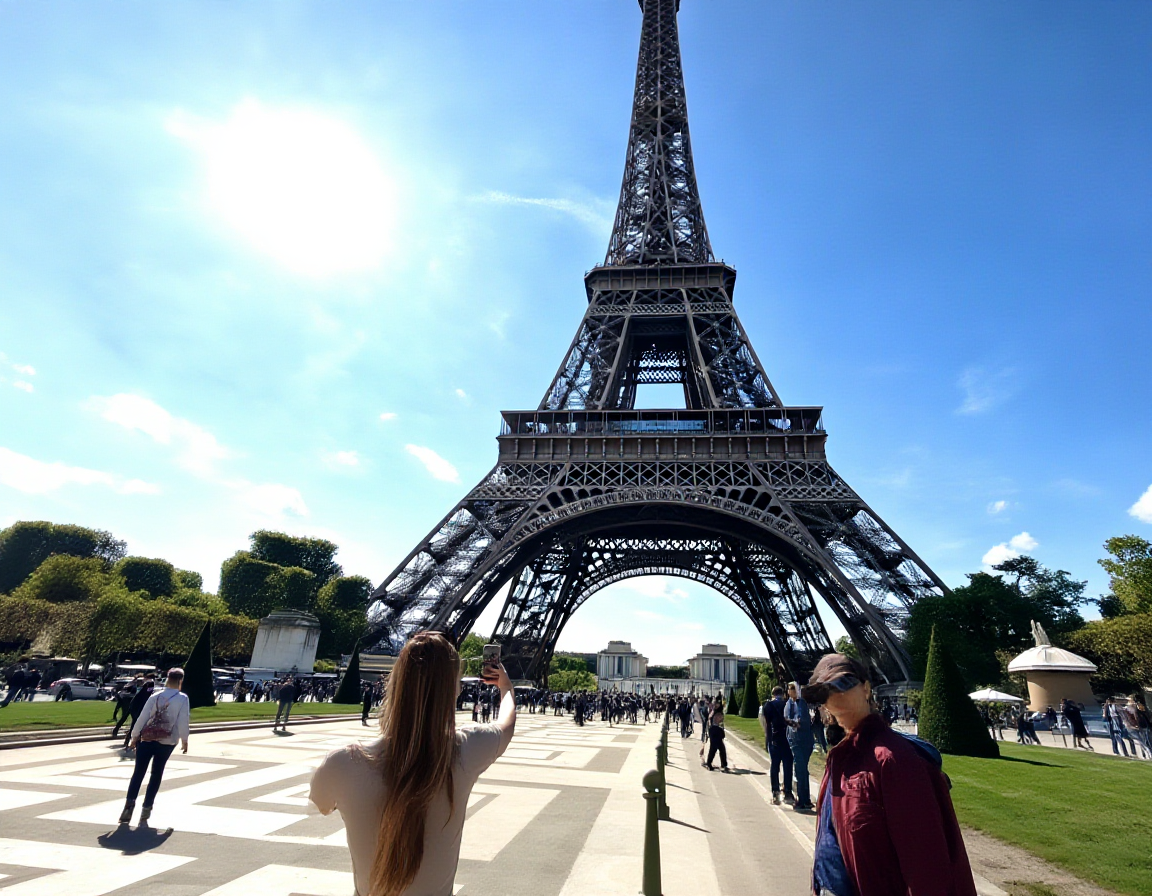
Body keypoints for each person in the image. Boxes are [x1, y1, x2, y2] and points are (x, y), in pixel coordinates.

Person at [310, 631, 516, 896]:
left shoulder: (341, 763)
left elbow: (321, 804)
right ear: (453, 691)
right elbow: (506, 724)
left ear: (395, 683)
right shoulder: (466, 750)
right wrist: (505, 688)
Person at [803, 654, 977, 896]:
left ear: (866, 689)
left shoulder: (893, 760)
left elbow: (926, 863)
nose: (834, 695)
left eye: (843, 684)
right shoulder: (841, 758)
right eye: (823, 692)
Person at [119, 667, 190, 825]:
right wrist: (185, 740)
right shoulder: (183, 698)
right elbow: (183, 721)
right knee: (156, 774)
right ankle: (147, 808)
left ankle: (129, 805)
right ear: (180, 681)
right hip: (167, 741)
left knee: (138, 773)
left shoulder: (155, 696)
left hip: (147, 739)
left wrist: (134, 736)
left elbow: (142, 717)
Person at [760, 685, 793, 805]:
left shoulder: (768, 705)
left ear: (773, 694)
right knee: (788, 765)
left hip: (773, 738)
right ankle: (788, 791)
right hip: (787, 738)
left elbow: (764, 722)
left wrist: (767, 737)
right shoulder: (788, 704)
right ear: (783, 694)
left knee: (775, 766)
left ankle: (775, 791)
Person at [784, 681, 814, 811]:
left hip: (804, 740)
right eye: (789, 689)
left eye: (793, 689)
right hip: (794, 740)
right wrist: (793, 723)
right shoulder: (789, 703)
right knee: (800, 768)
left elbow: (803, 720)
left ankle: (804, 799)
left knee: (802, 769)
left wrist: (795, 723)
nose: (791, 691)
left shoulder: (802, 703)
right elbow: (787, 718)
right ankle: (803, 798)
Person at [122, 678, 156, 751]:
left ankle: (128, 742)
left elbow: (132, 704)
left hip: (135, 713)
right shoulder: (149, 695)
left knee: (133, 728)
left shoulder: (140, 693)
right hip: (141, 715)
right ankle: (136, 745)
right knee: (140, 730)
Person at [703, 696, 728, 771]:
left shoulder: (718, 711)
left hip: (718, 731)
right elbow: (710, 719)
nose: (716, 705)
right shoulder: (714, 711)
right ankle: (709, 763)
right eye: (715, 703)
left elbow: (720, 721)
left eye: (717, 703)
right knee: (714, 748)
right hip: (713, 731)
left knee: (721, 748)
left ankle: (723, 764)